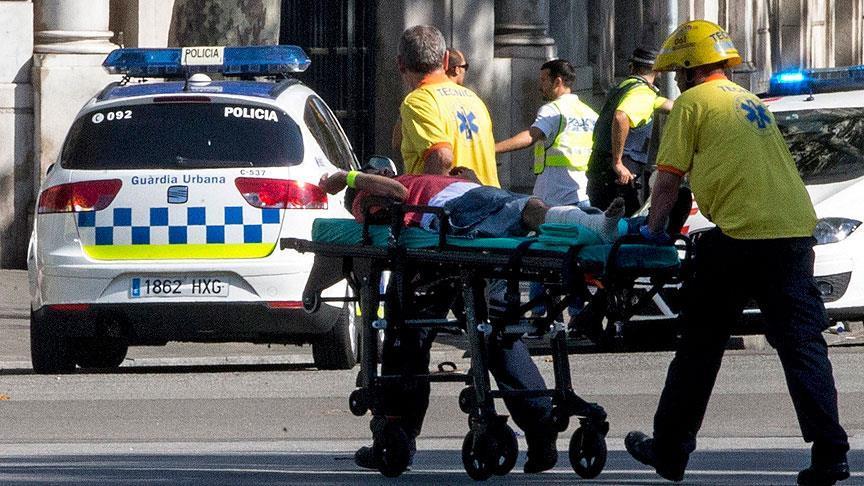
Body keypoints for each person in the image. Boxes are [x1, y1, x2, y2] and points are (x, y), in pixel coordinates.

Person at [624, 20, 850, 486]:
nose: (677, 81)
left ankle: (670, 448)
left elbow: (668, 180)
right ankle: (831, 453)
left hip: (742, 237)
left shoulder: (693, 103)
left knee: (700, 345)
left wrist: (651, 230)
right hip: (793, 233)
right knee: (803, 345)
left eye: (678, 72)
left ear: (690, 69)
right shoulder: (749, 101)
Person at [396, 27, 499, 187]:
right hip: (490, 198)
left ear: (401, 63)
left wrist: (431, 200)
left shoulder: (418, 101)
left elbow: (442, 157)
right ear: (445, 60)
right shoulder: (473, 99)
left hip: (456, 201)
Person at [495, 59, 597, 208]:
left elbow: (531, 136)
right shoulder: (590, 114)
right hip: (582, 196)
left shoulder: (552, 110)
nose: (540, 86)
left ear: (557, 82)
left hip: (554, 197)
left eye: (543, 80)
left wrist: (492, 149)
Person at [587, 47, 673, 215]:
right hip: (619, 172)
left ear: (631, 67)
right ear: (658, 70)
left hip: (603, 168)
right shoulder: (642, 93)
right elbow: (621, 117)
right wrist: (617, 162)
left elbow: (662, 104)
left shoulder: (625, 88)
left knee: (606, 219)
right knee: (625, 222)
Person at [391, 47, 469, 153]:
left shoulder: (421, 100)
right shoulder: (474, 101)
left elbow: (396, 143)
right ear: (456, 69)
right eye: (465, 67)